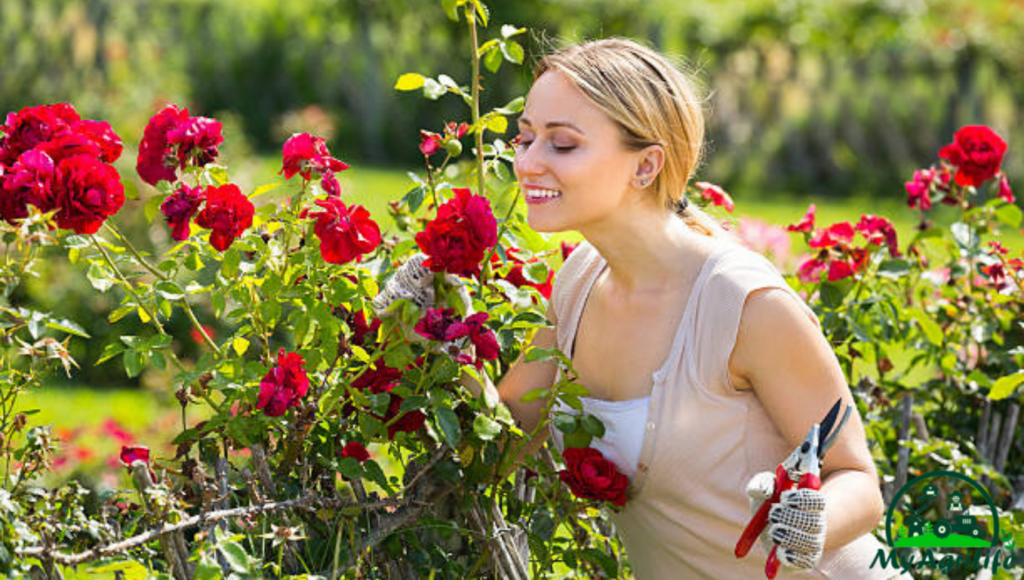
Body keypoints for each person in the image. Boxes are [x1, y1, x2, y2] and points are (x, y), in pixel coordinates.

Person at [493, 38, 901, 579]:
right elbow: (506, 432)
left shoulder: (745, 305)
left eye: (562, 145)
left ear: (645, 166)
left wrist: (812, 519)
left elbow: (857, 479)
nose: (528, 162)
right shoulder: (580, 282)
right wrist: (426, 329)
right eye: (525, 138)